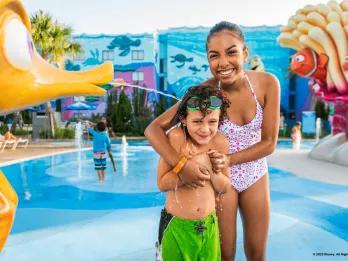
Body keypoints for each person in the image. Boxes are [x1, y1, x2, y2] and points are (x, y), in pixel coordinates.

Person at [145, 21, 280, 260]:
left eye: (231, 52)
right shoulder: (203, 95)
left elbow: (269, 142)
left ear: (245, 53)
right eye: (214, 55)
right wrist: (182, 165)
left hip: (254, 174)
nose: (223, 63)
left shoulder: (268, 83)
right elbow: (153, 129)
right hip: (218, 181)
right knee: (225, 255)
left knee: (257, 253)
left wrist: (228, 159)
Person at [156, 84, 230, 261]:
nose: (205, 129)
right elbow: (162, 183)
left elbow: (224, 187)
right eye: (197, 121)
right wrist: (185, 167)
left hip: (208, 226)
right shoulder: (176, 139)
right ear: (183, 119)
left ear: (219, 120)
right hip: (176, 226)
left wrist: (211, 170)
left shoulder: (220, 142)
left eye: (212, 122)